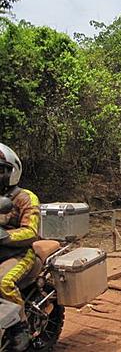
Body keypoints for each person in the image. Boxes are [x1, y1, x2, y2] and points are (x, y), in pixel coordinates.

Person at [0, 143, 40, 351]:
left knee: (4, 283)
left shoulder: (25, 197)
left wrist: (5, 236)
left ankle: (20, 328)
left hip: (19, 252)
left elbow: (31, 231)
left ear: (12, 171)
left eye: (0, 170)